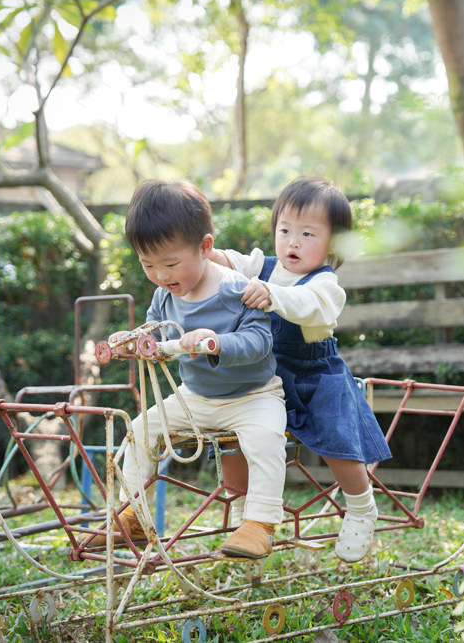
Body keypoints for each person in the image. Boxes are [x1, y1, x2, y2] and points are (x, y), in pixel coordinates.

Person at [210, 176, 391, 562]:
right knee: (232, 433)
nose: (293, 241)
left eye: (308, 233)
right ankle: (243, 509)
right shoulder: (264, 266)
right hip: (264, 372)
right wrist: (202, 252)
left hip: (314, 375)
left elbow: (306, 304)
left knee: (337, 436)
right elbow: (232, 262)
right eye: (285, 229)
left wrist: (273, 296)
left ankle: (360, 507)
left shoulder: (326, 284)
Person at [115, 179, 287, 560]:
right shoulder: (165, 296)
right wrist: (134, 342)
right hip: (195, 398)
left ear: (205, 247)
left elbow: (261, 343)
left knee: (266, 439)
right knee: (140, 430)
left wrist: (217, 341)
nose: (161, 275)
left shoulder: (240, 289)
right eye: (148, 265)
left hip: (253, 396)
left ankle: (259, 524)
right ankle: (133, 515)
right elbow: (154, 332)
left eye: (171, 263)